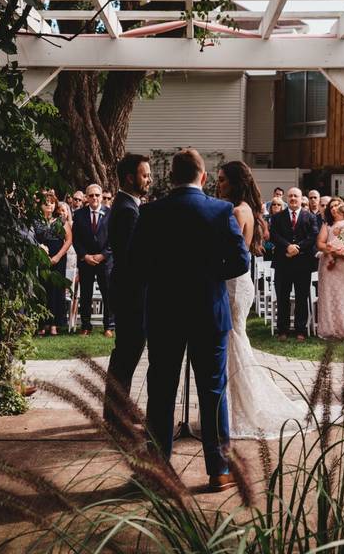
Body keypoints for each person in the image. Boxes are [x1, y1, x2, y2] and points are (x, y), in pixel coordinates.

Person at [130, 149, 250, 491]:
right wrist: (211, 274)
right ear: (204, 177)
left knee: (161, 390)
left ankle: (157, 470)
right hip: (207, 310)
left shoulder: (151, 212)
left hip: (164, 311)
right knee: (212, 390)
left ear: (171, 178)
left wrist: (164, 277)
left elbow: (136, 262)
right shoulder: (220, 210)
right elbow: (241, 261)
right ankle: (219, 470)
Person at [217, 161, 309, 438]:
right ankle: (237, 408)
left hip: (233, 283)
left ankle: (238, 412)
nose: (218, 184)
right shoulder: (250, 210)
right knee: (237, 340)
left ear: (234, 181)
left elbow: (229, 253)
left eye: (222, 179)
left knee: (233, 340)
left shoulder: (235, 211)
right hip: (241, 283)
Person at [103, 153, 152, 426]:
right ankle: (115, 413)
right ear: (130, 178)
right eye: (145, 175)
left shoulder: (128, 206)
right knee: (126, 352)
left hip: (129, 291)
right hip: (130, 293)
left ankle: (119, 408)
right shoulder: (126, 210)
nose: (149, 179)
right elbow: (132, 257)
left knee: (128, 351)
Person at [269, 187, 319, 341]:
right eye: (290, 196)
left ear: (300, 197)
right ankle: (282, 330)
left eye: (295, 196)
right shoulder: (278, 217)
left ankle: (300, 330)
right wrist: (287, 246)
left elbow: (313, 236)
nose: (292, 198)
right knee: (282, 297)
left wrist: (298, 248)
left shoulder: (309, 217)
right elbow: (273, 235)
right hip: (283, 262)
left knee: (301, 297)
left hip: (303, 263)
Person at [72, 184, 114, 336]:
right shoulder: (79, 214)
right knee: (86, 294)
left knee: (108, 294)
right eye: (91, 195)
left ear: (102, 197)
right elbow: (76, 239)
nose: (94, 198)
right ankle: (85, 326)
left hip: (105, 261)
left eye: (97, 195)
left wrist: (103, 255)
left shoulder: (111, 214)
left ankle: (109, 327)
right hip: (87, 261)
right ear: (86, 198)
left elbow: (115, 239)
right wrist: (85, 256)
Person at [316, 199, 344, 339]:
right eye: (331, 206)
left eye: (337, 206)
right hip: (329, 266)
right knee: (329, 297)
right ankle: (329, 330)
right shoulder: (327, 225)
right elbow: (320, 244)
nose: (334, 208)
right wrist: (332, 249)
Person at [34, 190, 73, 336]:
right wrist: (40, 251)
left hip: (59, 257)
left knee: (56, 290)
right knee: (42, 289)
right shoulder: (36, 220)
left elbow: (68, 240)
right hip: (41, 257)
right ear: (41, 206)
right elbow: (33, 238)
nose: (49, 205)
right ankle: (42, 323)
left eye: (51, 203)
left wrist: (57, 256)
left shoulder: (61, 220)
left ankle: (55, 324)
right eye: (46, 203)